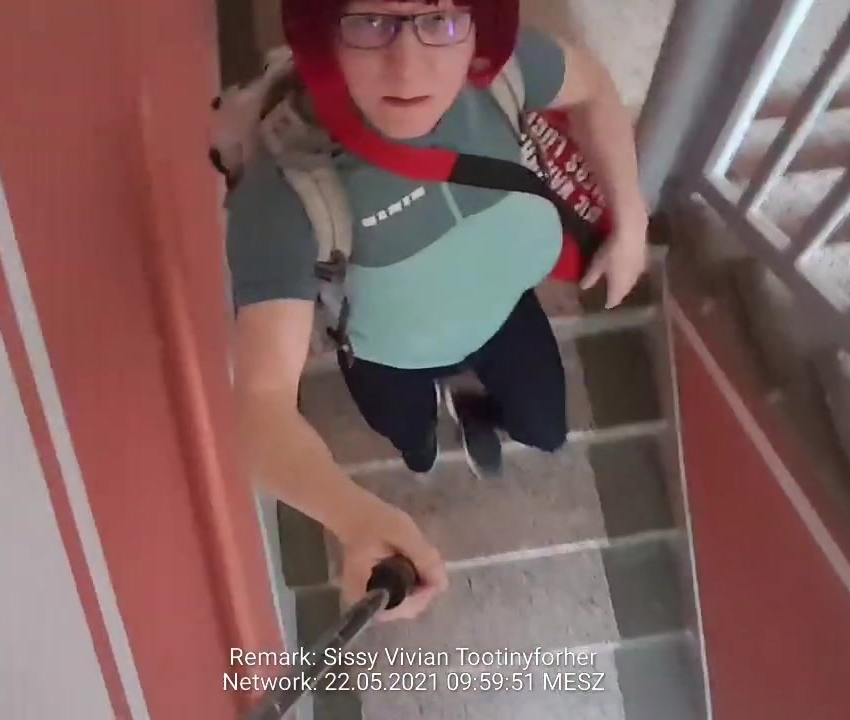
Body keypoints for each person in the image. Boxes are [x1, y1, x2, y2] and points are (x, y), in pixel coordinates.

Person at [227, 0, 648, 622]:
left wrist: (631, 218)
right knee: (415, 447)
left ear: (479, 25)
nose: (407, 68)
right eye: (371, 22)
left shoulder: (504, 73)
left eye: (439, 19)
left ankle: (470, 405)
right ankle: (431, 422)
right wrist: (355, 517)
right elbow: (262, 408)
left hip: (504, 315)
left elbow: (592, 86)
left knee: (545, 429)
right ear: (323, 33)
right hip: (386, 360)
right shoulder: (287, 194)